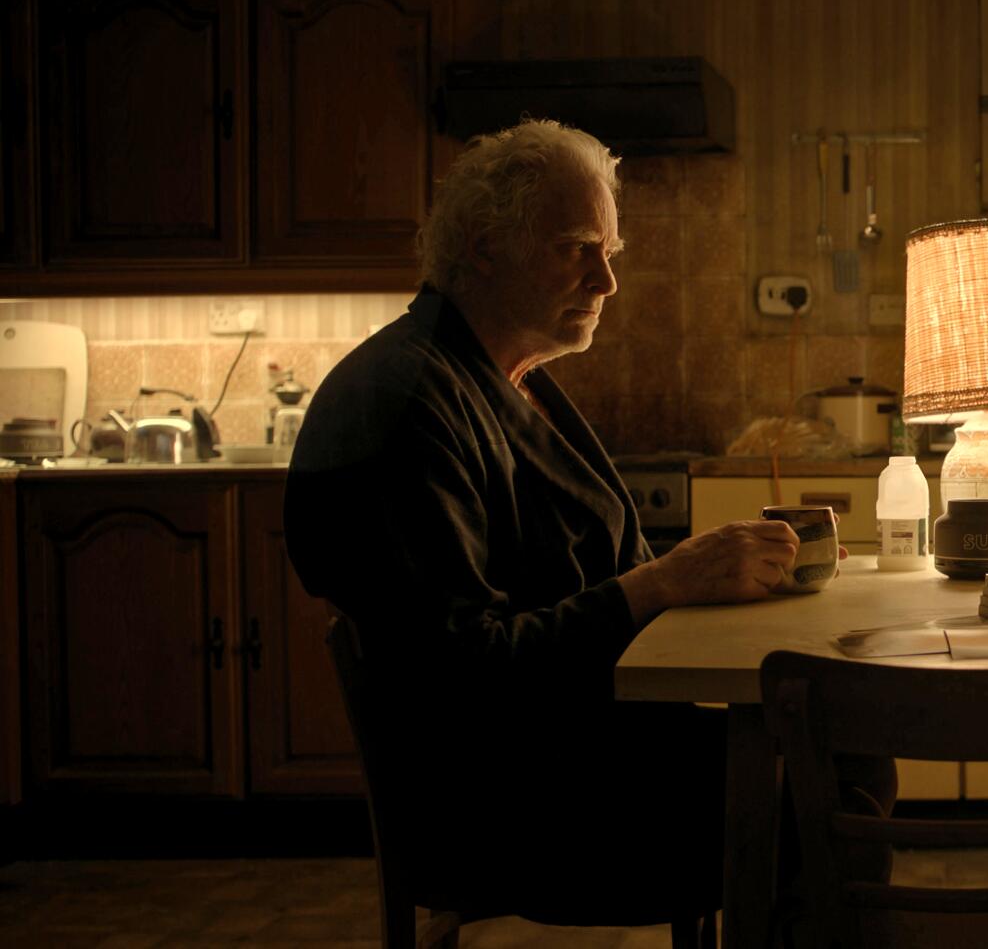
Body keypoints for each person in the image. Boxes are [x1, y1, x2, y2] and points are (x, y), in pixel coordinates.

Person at [286, 118, 879, 924]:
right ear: (483, 246)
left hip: (579, 751)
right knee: (828, 780)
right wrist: (665, 580)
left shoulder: (500, 374)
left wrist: (711, 568)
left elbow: (595, 575)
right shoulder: (407, 403)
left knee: (840, 746)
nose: (606, 282)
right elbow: (466, 672)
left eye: (611, 254)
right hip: (516, 808)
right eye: (577, 250)